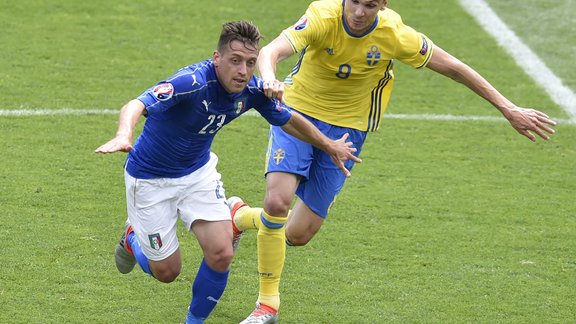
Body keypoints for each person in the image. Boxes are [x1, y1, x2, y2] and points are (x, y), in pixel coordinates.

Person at [227, 0, 557, 323]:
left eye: (369, 5)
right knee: (278, 199)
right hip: (297, 115)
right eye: (353, 2)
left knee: (298, 234)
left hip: (348, 131)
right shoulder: (321, 15)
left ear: (382, 4)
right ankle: (267, 306)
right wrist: (269, 77)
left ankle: (240, 217)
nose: (358, 12)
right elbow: (271, 52)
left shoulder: (394, 33)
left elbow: (454, 68)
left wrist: (508, 108)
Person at [95, 20, 360, 324]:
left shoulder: (252, 90)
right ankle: (132, 238)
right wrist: (124, 135)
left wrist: (329, 145)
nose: (243, 71)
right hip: (150, 179)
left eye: (250, 63)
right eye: (235, 61)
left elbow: (288, 120)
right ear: (217, 58)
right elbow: (136, 104)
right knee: (167, 273)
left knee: (221, 253)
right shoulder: (192, 82)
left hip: (197, 174)